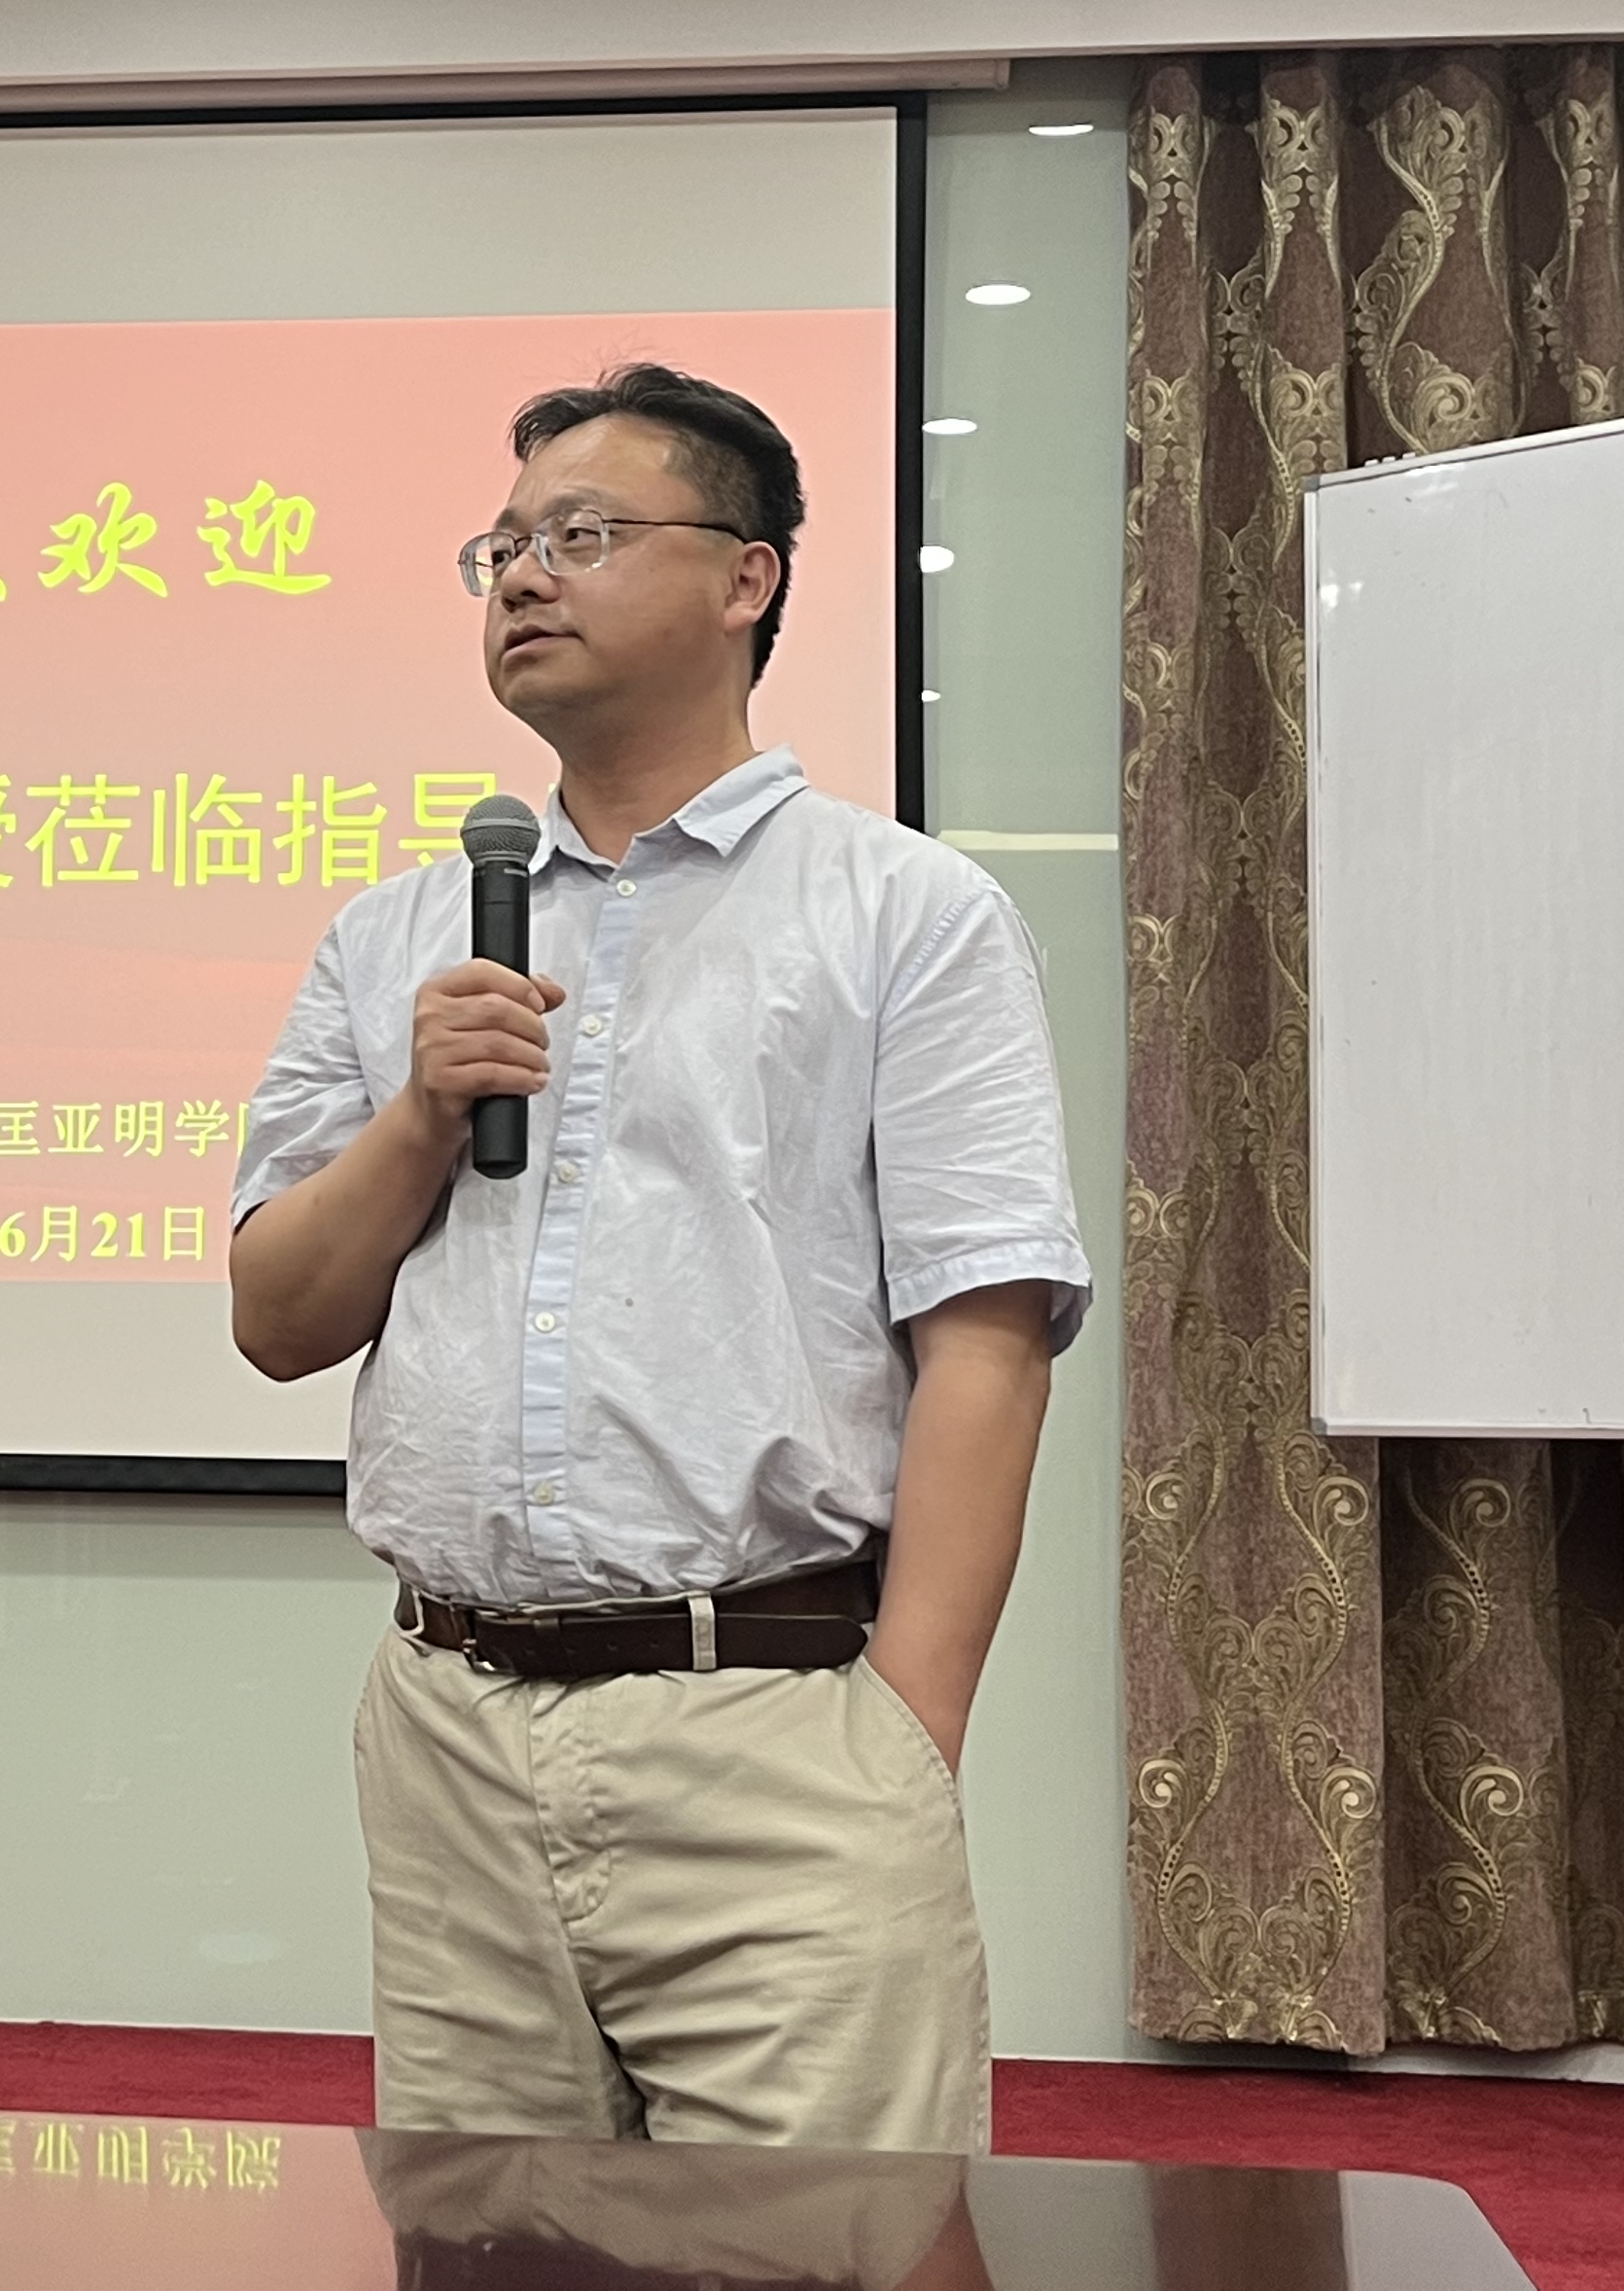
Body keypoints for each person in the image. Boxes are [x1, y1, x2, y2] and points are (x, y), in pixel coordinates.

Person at [227, 362, 1088, 2154]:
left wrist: (904, 1737)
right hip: (450, 1731)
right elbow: (278, 1320)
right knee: (488, 2252)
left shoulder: (903, 913)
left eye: (584, 534)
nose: (523, 577)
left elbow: (988, 1343)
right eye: (503, 547)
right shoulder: (395, 937)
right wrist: (420, 1116)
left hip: (777, 1729)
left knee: (827, 2256)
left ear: (746, 578)